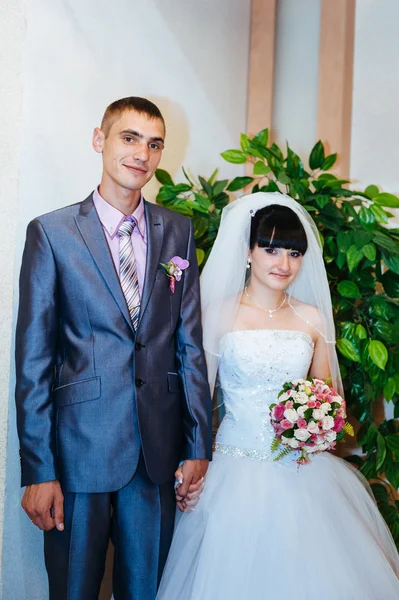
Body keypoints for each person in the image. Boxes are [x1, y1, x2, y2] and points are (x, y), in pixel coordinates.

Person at [15, 96, 212, 600]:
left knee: (148, 589)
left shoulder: (178, 231)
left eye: (154, 144)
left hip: (157, 450)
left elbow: (189, 344)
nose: (141, 154)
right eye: (129, 138)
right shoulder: (52, 233)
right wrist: (39, 469)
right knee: (74, 588)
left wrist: (197, 445)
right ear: (100, 140)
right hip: (79, 449)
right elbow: (33, 361)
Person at [157, 192, 399, 600]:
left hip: (303, 472)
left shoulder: (312, 318)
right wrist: (190, 460)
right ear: (248, 252)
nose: (283, 263)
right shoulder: (217, 313)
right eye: (270, 249)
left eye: (293, 252)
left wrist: (319, 425)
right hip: (232, 468)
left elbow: (327, 399)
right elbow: (195, 397)